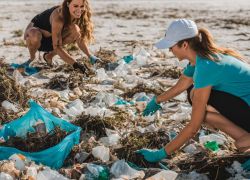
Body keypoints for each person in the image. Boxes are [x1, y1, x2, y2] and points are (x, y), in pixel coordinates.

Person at [137, 19, 250, 163]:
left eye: (171, 46)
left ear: (184, 44)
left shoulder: (206, 67)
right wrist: (157, 100)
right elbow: (182, 84)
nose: (169, 50)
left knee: (197, 99)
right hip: (244, 105)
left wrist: (161, 154)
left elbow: (193, 127)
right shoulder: (202, 58)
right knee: (203, 109)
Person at [23, 0, 100, 74]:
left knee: (75, 30)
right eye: (75, 6)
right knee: (34, 34)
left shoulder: (76, 14)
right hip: (36, 39)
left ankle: (48, 56)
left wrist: (91, 57)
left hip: (53, 39)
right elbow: (57, 46)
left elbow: (79, 39)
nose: (79, 9)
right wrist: (75, 64)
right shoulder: (58, 17)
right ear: (68, 4)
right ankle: (31, 58)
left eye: (82, 6)